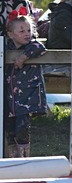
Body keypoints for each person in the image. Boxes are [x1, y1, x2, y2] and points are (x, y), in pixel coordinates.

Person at [5, 11, 47, 158]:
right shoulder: (6, 48)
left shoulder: (33, 46)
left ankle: (24, 158)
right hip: (9, 99)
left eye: (29, 30)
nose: (27, 34)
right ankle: (12, 159)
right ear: (11, 34)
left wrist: (23, 57)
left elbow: (40, 46)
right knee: (9, 130)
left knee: (22, 129)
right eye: (21, 31)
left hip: (26, 98)